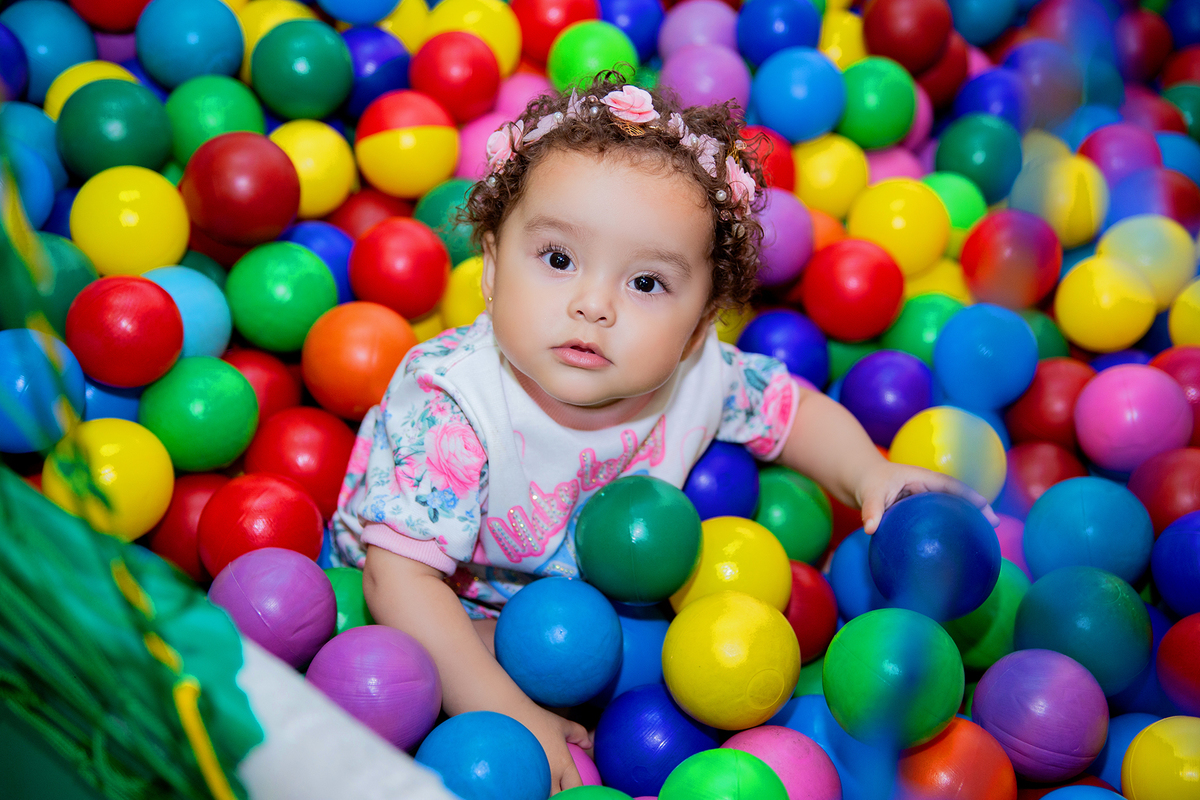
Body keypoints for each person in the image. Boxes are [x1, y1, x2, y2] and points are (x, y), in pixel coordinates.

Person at [330, 74, 996, 793]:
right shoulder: (453, 399)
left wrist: (870, 473)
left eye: (646, 284)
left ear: (697, 327)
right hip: (431, 596)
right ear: (491, 267)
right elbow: (398, 579)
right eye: (558, 260)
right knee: (396, 676)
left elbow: (790, 410)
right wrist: (507, 711)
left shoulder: (696, 375)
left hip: (588, 610)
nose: (593, 305)